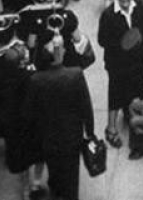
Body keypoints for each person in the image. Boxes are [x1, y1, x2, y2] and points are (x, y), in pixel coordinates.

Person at [24, 32, 95, 200]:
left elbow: (29, 112)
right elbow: (86, 107)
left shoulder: (36, 80)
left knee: (54, 172)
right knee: (71, 175)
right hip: (71, 136)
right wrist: (90, 132)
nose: (63, 50)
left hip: (48, 138)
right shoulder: (75, 75)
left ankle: (56, 193)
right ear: (58, 55)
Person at [97, 0, 143, 147]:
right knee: (116, 93)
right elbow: (102, 40)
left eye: (128, 0)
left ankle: (130, 112)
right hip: (117, 63)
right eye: (122, 0)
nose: (126, 4)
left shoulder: (139, 7)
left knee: (141, 83)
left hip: (136, 59)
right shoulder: (108, 15)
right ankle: (111, 128)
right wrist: (123, 44)